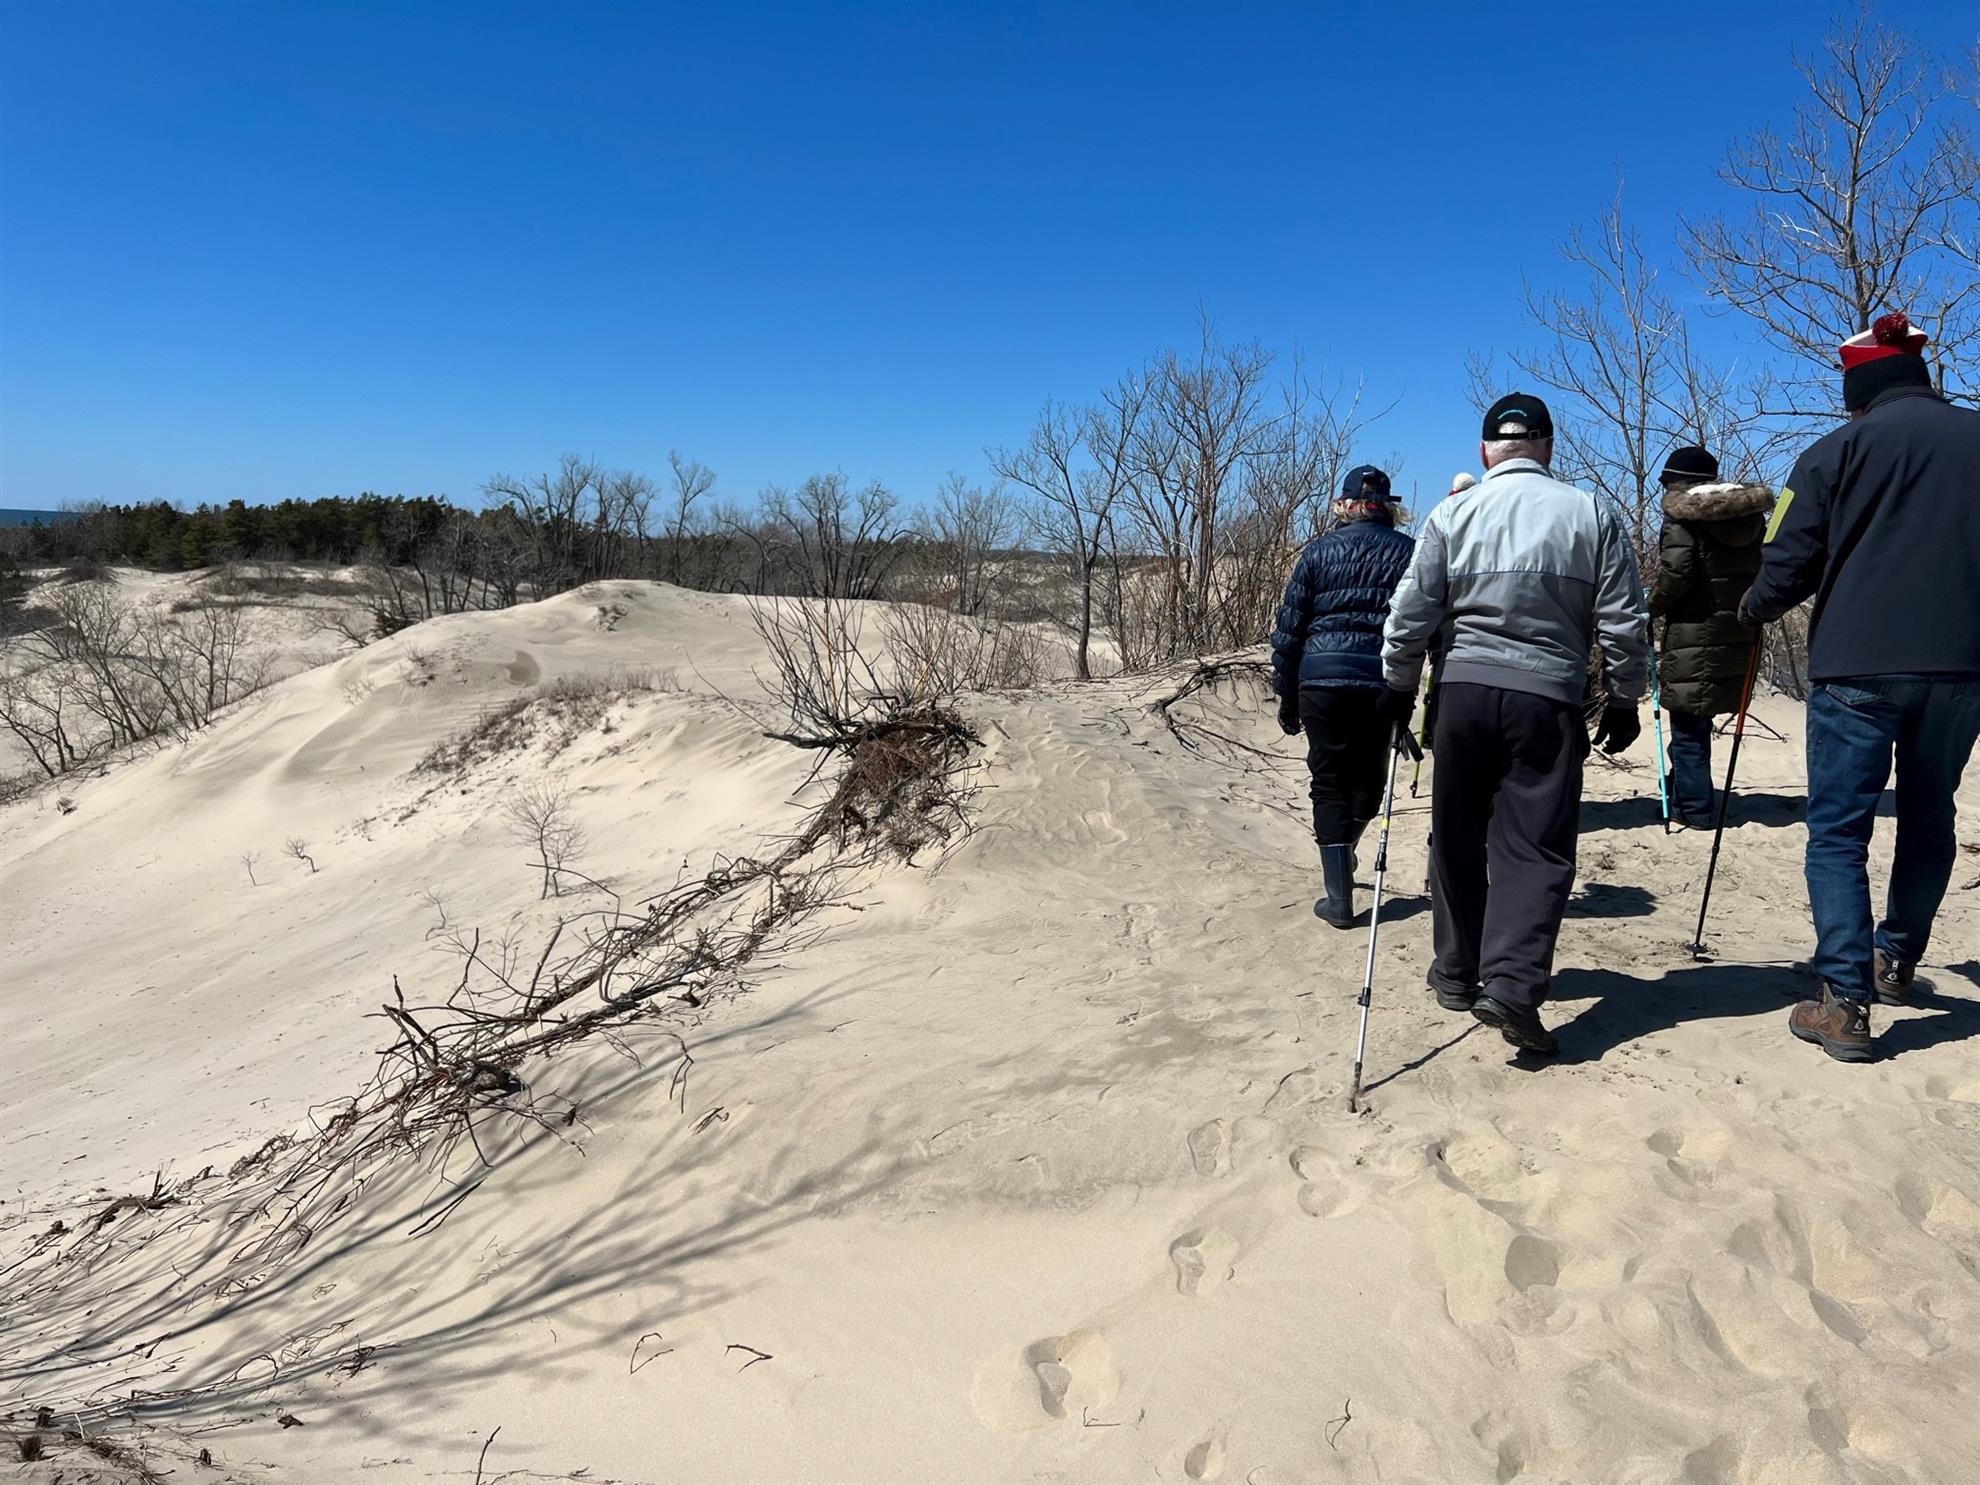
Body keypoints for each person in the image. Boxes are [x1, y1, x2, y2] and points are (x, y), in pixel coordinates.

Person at [1743, 313, 1980, 1063]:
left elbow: (1785, 557)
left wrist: (1753, 607)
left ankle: (1845, 1000)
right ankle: (1895, 960)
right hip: (1963, 664)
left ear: (1859, 386)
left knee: (1839, 830)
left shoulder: (1831, 452)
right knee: (1928, 815)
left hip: (1856, 665)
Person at [1380, 394, 1649, 1054]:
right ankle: (1512, 983)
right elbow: (1623, 618)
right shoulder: (1590, 512)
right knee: (1535, 843)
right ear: (1549, 447)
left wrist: (1397, 683)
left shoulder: (1453, 512)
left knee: (1457, 834)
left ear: (1484, 452)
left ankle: (1455, 970)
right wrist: (1624, 695)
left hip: (1463, 695)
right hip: (1545, 697)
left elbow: (1411, 611)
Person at [1270, 464, 1415, 928]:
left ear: (1345, 506)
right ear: (1388, 508)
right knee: (1369, 781)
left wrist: (1287, 695)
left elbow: (1290, 630)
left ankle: (1338, 895)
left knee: (1329, 782)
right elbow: (1426, 622)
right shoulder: (1410, 553)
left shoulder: (1317, 552)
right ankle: (1344, 851)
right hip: (1380, 679)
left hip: (1321, 679)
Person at [1646, 445, 1772, 827]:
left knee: (1687, 725)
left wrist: (1649, 607)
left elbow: (1676, 575)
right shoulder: (1750, 520)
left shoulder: (1682, 520)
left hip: (1693, 632)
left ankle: (1696, 809)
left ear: (1680, 483)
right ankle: (1684, 792)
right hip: (1736, 630)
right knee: (1696, 721)